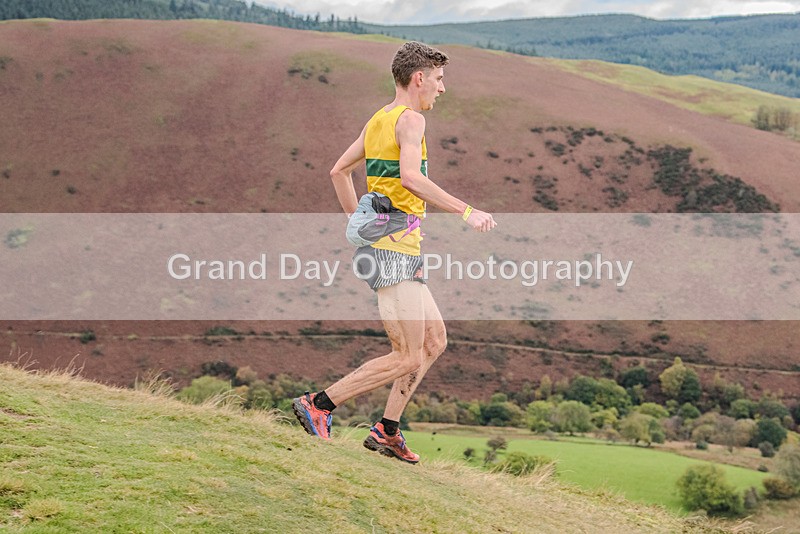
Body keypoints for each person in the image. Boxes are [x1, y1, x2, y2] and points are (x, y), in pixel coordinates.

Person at [293, 41, 496, 464]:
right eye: (438, 79)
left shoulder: (379, 120)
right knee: (406, 354)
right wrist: (467, 211)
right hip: (393, 251)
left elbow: (338, 171)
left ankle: (387, 430)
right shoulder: (411, 120)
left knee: (434, 341)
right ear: (419, 78)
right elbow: (410, 179)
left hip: (395, 247)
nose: (442, 88)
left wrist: (360, 225)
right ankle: (319, 405)